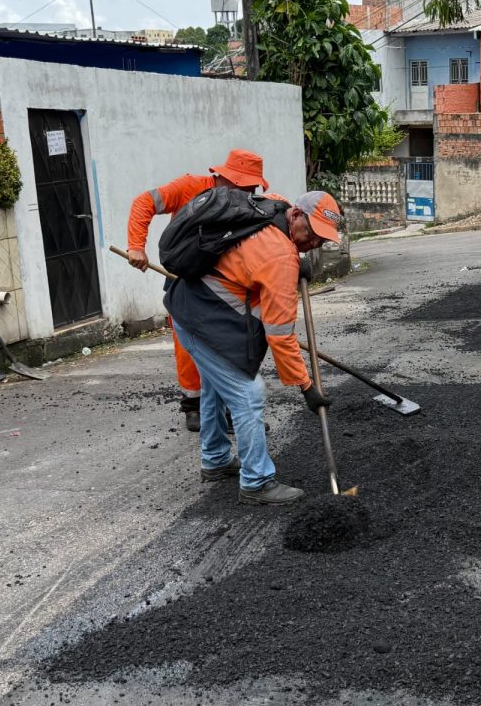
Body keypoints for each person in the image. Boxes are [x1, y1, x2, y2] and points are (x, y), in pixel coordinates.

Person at [165, 191, 343, 506]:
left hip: (189, 304)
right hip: (201, 317)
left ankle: (216, 459)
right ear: (297, 215)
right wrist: (306, 386)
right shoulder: (280, 259)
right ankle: (257, 481)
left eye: (321, 240)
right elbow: (280, 336)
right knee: (248, 394)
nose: (314, 242)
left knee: (216, 387)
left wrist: (297, 255)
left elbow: (255, 257)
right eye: (311, 233)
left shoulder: (275, 204)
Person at [126, 149, 271, 432]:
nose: (251, 191)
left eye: (254, 187)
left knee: (232, 341)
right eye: (247, 185)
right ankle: (192, 403)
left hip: (223, 282)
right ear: (229, 178)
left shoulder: (245, 203)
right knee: (188, 345)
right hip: (184, 278)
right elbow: (144, 202)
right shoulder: (190, 187)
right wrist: (135, 246)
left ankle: (233, 408)